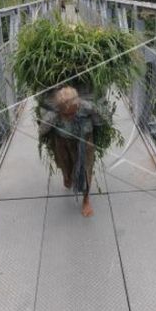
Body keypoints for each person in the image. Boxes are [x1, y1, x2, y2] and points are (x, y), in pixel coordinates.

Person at [38, 86, 101, 217]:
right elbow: (43, 128)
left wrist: (98, 127)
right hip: (63, 142)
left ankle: (86, 199)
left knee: (85, 169)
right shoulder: (54, 114)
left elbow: (98, 118)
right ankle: (67, 175)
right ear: (60, 111)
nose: (71, 116)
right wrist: (43, 131)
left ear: (78, 105)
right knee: (64, 164)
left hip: (84, 141)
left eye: (74, 112)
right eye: (67, 115)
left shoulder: (86, 107)